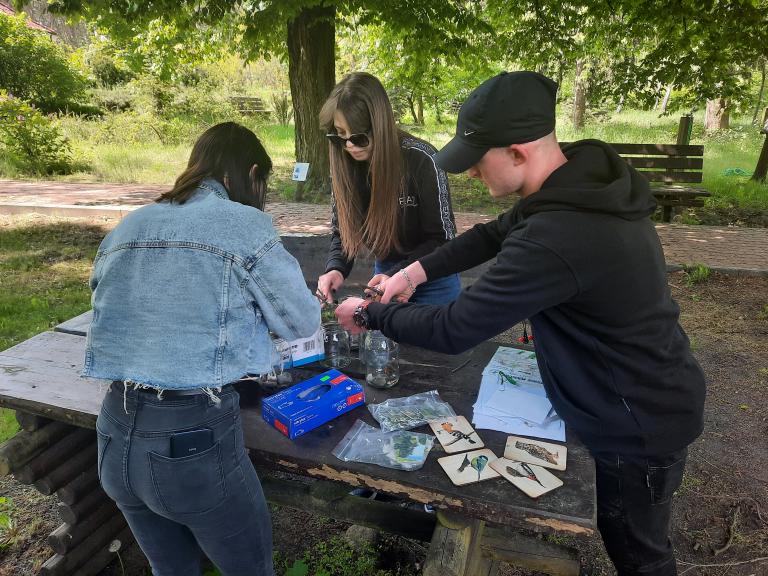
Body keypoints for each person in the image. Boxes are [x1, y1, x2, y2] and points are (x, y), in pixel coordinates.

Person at [336, 72, 706, 576]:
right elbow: (490, 235)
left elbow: (454, 328)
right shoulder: (575, 180)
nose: (467, 174)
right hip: (632, 390)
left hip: (637, 419)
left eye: (476, 160)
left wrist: (369, 312)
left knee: (639, 552)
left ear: (517, 151)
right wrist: (412, 272)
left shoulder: (560, 233)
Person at [84, 122, 320, 576]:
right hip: (192, 444)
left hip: (114, 430)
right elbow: (301, 321)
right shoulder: (242, 225)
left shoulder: (131, 223)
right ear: (250, 173)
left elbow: (105, 301)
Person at [316, 71, 461, 305]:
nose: (350, 146)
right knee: (383, 342)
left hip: (434, 278)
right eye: (340, 136)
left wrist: (401, 273)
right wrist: (336, 268)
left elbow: (442, 238)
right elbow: (343, 232)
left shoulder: (422, 159)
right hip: (385, 276)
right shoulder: (344, 165)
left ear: (379, 125)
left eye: (360, 136)